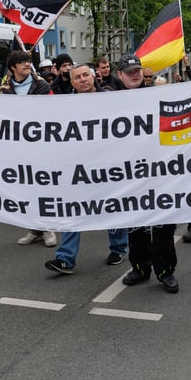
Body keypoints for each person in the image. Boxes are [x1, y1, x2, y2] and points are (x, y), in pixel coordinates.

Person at [45, 63, 128, 273]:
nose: (82, 80)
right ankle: (65, 258)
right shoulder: (66, 105)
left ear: (94, 77)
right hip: (77, 166)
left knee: (112, 207)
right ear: (72, 82)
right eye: (77, 77)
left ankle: (119, 247)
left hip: (108, 164)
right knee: (73, 208)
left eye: (85, 75)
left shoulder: (111, 99)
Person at [113, 54, 180, 293]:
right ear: (120, 75)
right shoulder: (110, 100)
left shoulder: (159, 95)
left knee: (163, 226)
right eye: (129, 71)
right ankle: (140, 268)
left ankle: (166, 271)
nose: (134, 74)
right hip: (129, 174)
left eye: (137, 70)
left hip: (159, 171)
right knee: (136, 226)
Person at [0, 50, 57, 247]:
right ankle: (35, 228)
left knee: (43, 185)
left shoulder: (41, 85)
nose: (26, 64)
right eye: (22, 62)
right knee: (26, 187)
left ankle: (48, 227)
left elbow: (48, 111)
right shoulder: (4, 89)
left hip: (40, 143)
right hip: (18, 145)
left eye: (28, 61)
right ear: (12, 67)